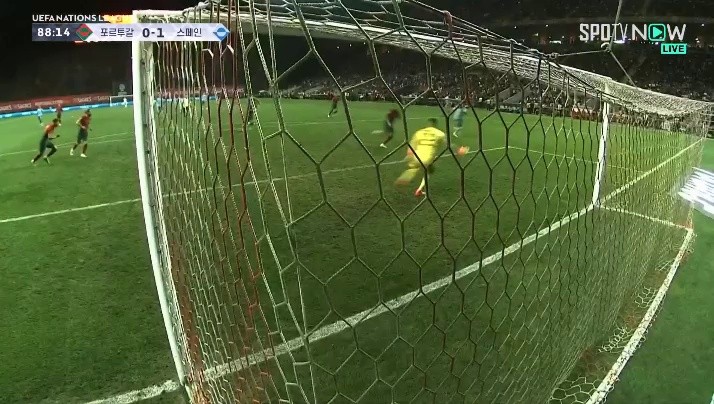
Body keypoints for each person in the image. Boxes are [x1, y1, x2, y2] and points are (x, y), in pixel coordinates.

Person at [395, 118, 447, 197]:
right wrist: (458, 149)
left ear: (428, 124)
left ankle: (407, 175)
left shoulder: (419, 132)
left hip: (416, 156)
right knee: (429, 171)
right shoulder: (440, 134)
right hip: (428, 158)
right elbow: (448, 145)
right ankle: (419, 189)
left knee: (415, 167)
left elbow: (410, 149)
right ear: (435, 125)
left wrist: (409, 157)